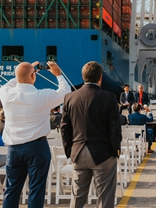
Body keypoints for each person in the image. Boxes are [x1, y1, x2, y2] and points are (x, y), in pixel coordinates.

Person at [0, 61, 70, 208]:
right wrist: (58, 74)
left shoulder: (5, 94)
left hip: (13, 149)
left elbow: (11, 83)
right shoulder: (42, 96)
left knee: (12, 189)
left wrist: (25, 73)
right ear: (33, 76)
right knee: (36, 190)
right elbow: (65, 92)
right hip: (37, 148)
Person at [61, 61, 122, 208]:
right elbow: (115, 127)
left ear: (83, 77)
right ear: (100, 78)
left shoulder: (69, 98)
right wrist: (115, 150)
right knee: (105, 198)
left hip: (78, 152)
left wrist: (70, 150)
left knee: (77, 197)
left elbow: (64, 127)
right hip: (103, 154)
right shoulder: (108, 97)